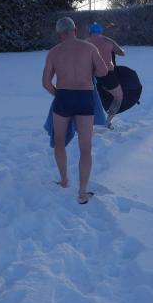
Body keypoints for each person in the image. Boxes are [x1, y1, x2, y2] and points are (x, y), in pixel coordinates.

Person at [42, 17, 108, 204]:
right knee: (85, 147)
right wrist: (89, 70)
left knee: (59, 140)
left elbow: (46, 82)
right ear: (75, 30)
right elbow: (103, 71)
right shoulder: (89, 48)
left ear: (59, 34)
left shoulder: (54, 52)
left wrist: (59, 95)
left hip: (64, 97)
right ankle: (82, 192)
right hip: (85, 97)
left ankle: (64, 180)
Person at [86, 22, 126, 128]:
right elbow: (122, 53)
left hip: (91, 76)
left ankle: (85, 122)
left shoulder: (84, 43)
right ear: (100, 32)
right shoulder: (108, 41)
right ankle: (108, 121)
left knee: (90, 99)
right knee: (118, 96)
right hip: (108, 75)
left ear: (90, 32)